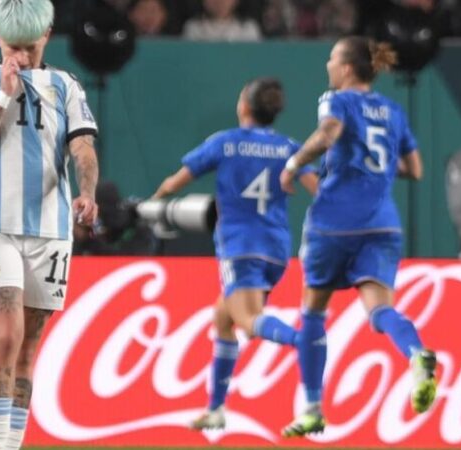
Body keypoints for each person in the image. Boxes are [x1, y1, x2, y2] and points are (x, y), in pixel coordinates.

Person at [0, 1, 99, 449]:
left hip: (50, 230)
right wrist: (3, 96)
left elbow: (84, 148)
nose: (21, 55)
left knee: (27, 348)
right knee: (5, 334)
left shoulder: (66, 86)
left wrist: (88, 192)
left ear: (48, 35)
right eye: (13, 46)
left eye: (30, 46)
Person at [279, 36, 436, 437]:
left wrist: (295, 162)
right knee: (379, 310)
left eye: (332, 58)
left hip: (333, 220)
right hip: (382, 222)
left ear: (347, 68)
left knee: (313, 310)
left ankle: (312, 408)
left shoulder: (337, 99)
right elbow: (414, 168)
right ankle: (416, 354)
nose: (328, 64)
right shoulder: (394, 110)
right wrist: (374, 168)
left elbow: (329, 132)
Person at [152, 78, 318, 430]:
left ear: (244, 106)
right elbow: (317, 188)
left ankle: (303, 340)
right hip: (276, 249)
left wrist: (154, 202)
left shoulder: (225, 143)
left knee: (246, 320)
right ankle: (216, 409)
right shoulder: (290, 147)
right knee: (224, 319)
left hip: (239, 245)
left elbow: (175, 182)